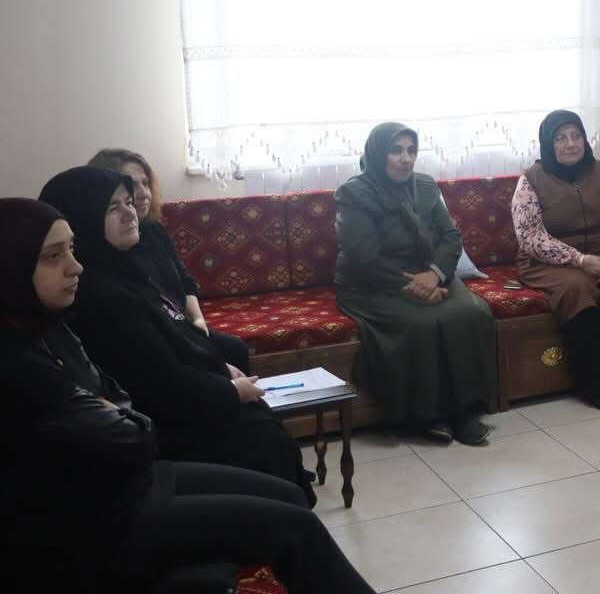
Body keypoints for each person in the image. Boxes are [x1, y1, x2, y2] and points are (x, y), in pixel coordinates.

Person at [0, 197, 375, 594]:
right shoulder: (16, 364)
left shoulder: (48, 326)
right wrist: (122, 417)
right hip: (95, 519)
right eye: (53, 256)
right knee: (295, 527)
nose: (75, 266)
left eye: (71, 249)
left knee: (287, 493)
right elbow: (136, 437)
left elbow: (116, 398)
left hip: (132, 483)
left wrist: (117, 414)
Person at [39, 166, 315, 506]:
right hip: (164, 428)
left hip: (179, 406)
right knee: (261, 438)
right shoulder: (99, 296)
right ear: (84, 218)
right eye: (112, 208)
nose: (130, 213)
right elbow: (160, 381)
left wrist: (220, 369)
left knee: (259, 421)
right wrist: (229, 390)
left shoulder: (125, 267)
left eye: (129, 202)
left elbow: (174, 327)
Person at [335, 122, 496, 445]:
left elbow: (450, 237)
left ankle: (465, 410)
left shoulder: (425, 186)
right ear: (378, 154)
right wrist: (419, 286)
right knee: (420, 323)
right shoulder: (355, 194)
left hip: (432, 273)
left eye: (411, 151)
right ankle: (424, 415)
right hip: (374, 283)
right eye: (396, 151)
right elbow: (364, 256)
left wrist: (434, 275)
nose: (405, 158)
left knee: (472, 312)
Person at [512, 110, 600, 412]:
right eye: (561, 138)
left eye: (576, 136)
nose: (570, 144)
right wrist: (578, 260)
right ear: (548, 144)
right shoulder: (531, 180)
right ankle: (595, 384)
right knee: (578, 291)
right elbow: (530, 237)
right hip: (550, 263)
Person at [88, 146, 250, 371]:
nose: (143, 193)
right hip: (162, 335)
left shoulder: (153, 230)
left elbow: (185, 280)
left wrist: (197, 320)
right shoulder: (115, 251)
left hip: (183, 325)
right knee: (224, 357)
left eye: (145, 183)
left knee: (236, 349)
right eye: (132, 185)